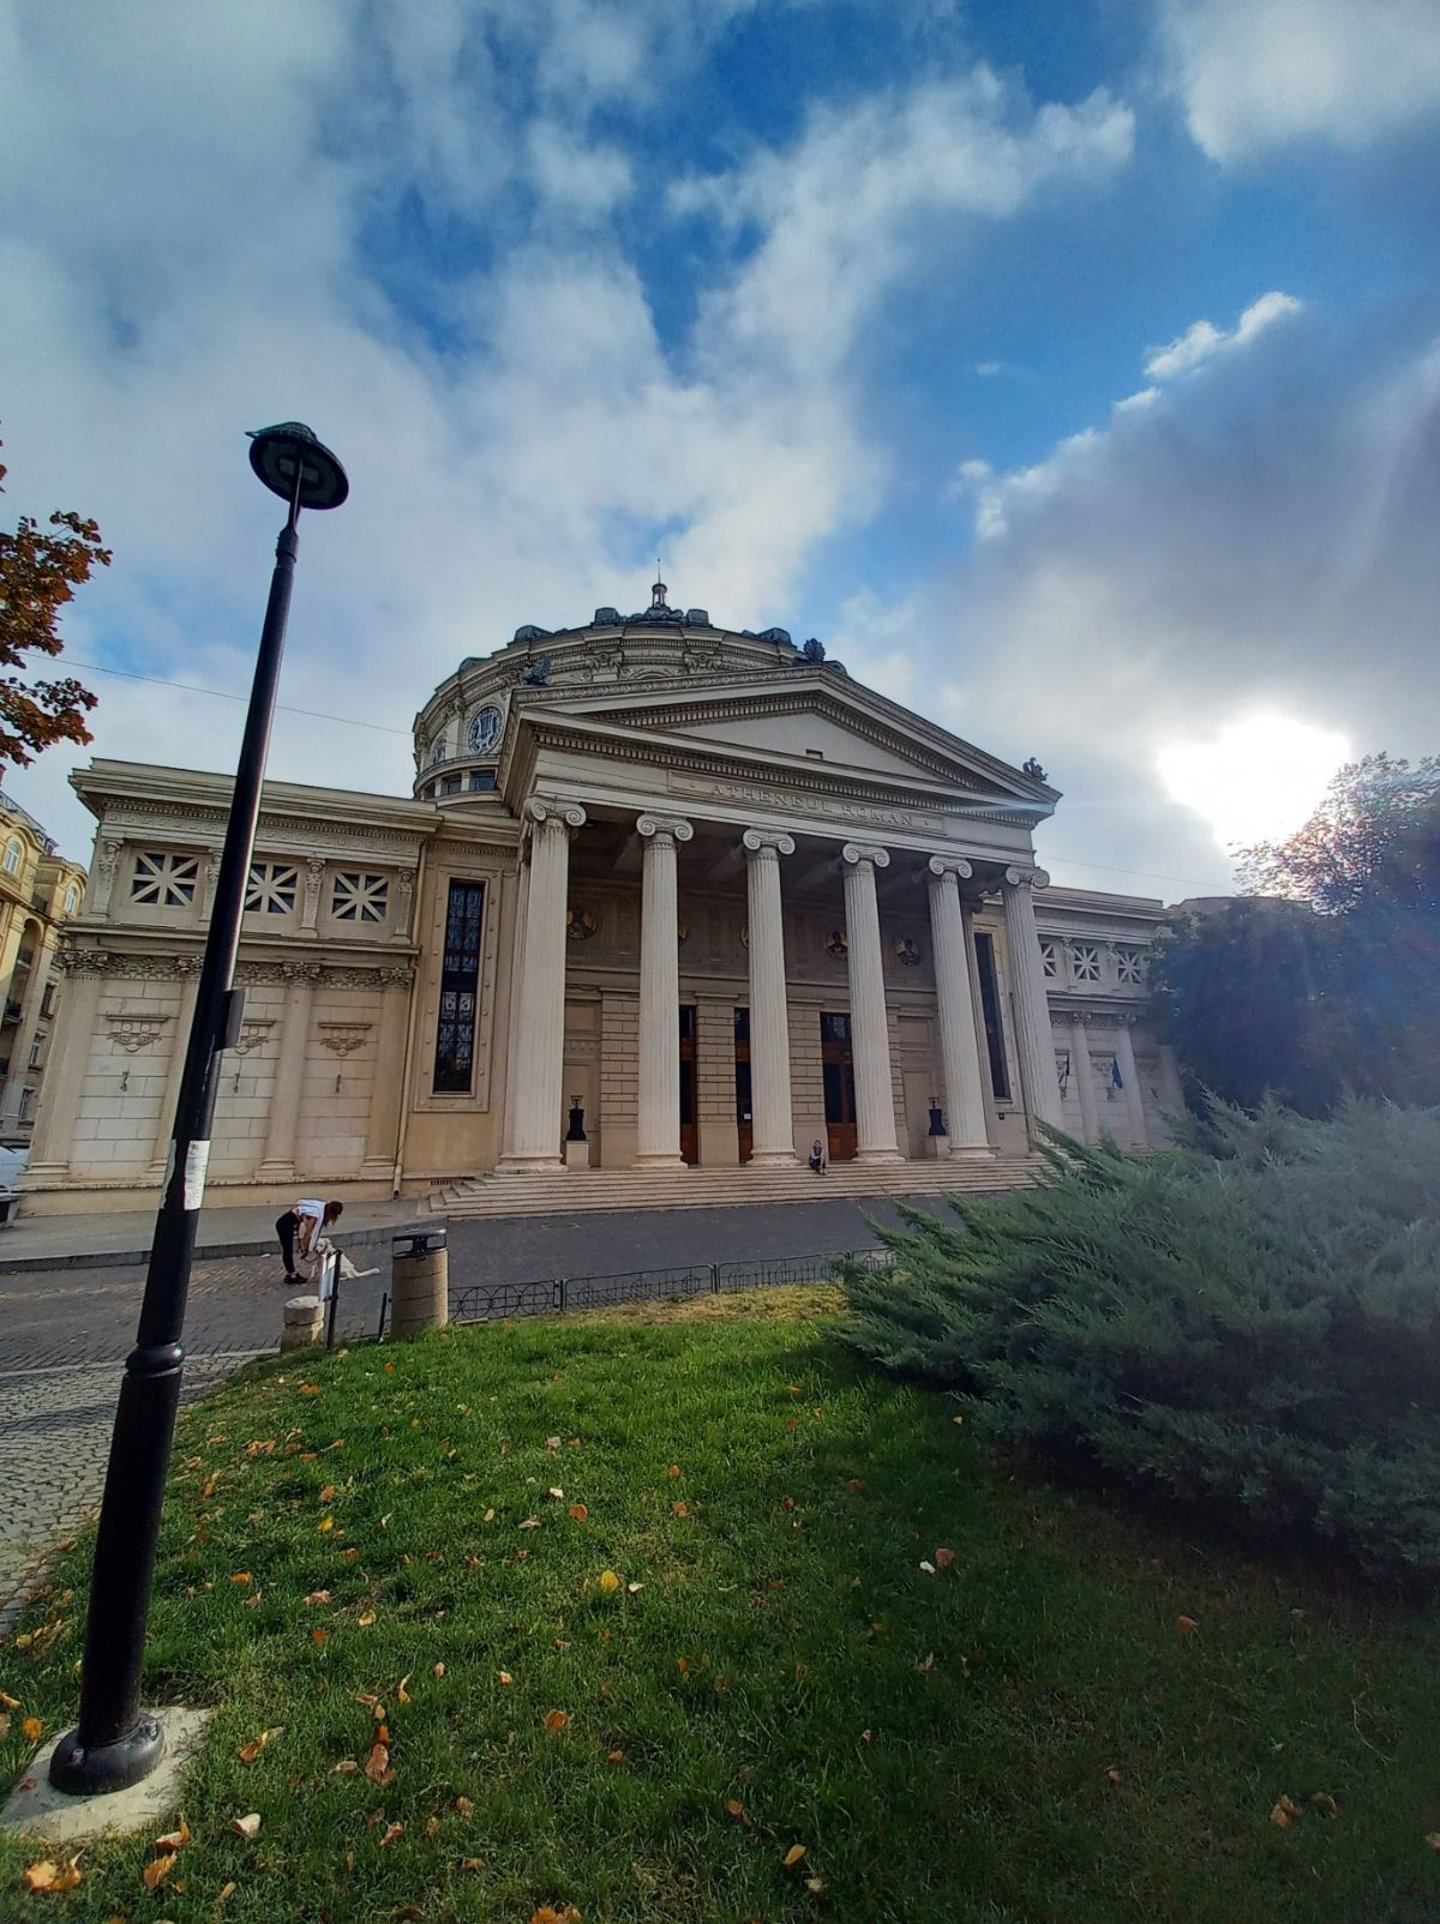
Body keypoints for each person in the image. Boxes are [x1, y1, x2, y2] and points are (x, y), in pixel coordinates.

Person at [276, 1198, 344, 1283]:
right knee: (287, 1250)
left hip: (285, 1221)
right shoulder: (316, 1215)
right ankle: (292, 1275)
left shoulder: (319, 1207)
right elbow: (308, 1233)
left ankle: (290, 1273)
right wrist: (307, 1249)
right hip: (286, 1223)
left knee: (287, 1250)